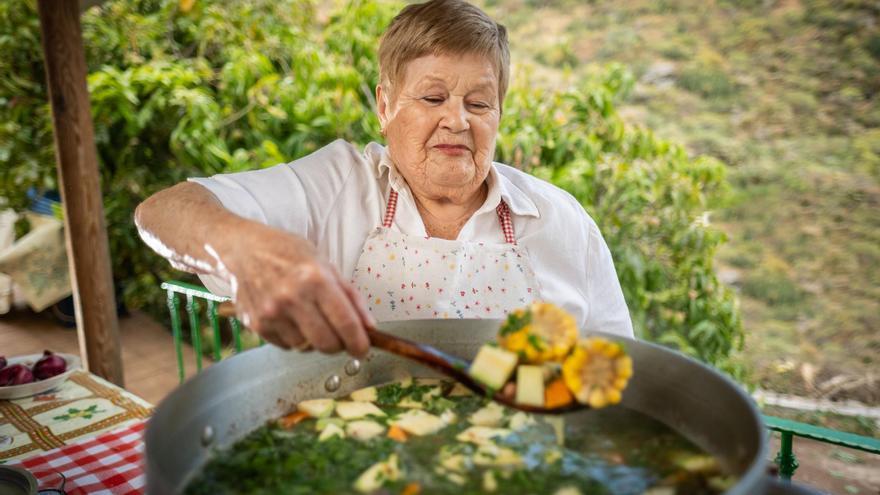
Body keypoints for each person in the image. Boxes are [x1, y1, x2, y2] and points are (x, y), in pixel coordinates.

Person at [134, 0, 633, 357]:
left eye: (479, 103)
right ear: (385, 105)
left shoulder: (563, 220)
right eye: (433, 98)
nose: (458, 121)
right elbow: (164, 210)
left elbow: (618, 368)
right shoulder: (336, 185)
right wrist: (240, 249)